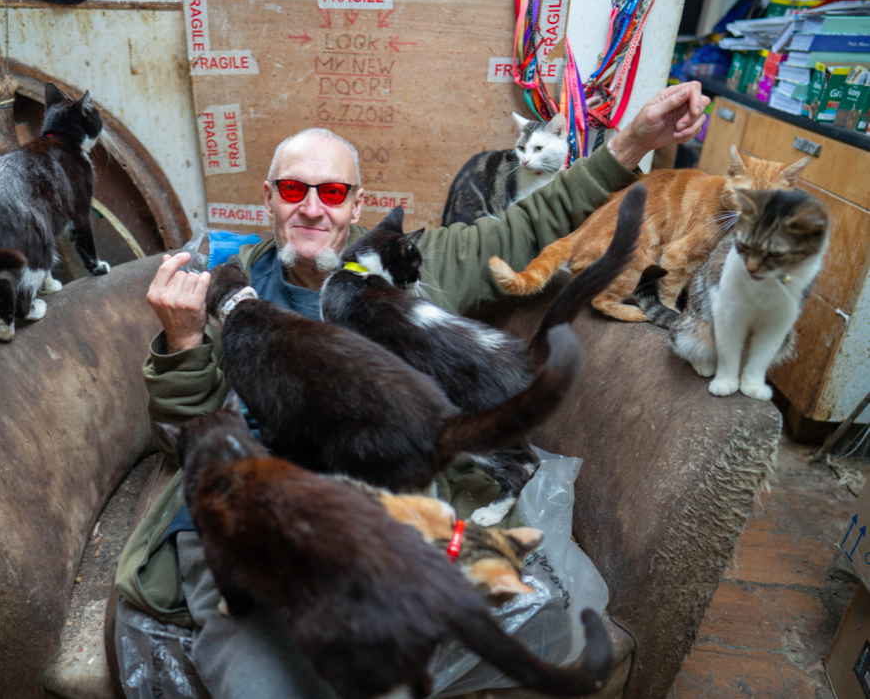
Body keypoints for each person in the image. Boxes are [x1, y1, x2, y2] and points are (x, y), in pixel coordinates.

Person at [121, 82, 709, 698]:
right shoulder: (223, 292)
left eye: (332, 193)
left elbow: (532, 220)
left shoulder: (413, 264)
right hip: (258, 524)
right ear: (269, 197)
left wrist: (631, 142)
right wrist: (184, 343)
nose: (312, 209)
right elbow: (183, 436)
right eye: (294, 190)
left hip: (378, 515)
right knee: (263, 682)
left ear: (356, 205)